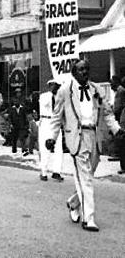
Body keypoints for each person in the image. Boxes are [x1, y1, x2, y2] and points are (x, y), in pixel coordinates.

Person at [46, 59, 125, 232]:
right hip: (76, 137)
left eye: (87, 69)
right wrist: (51, 137)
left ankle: (74, 202)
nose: (84, 72)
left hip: (94, 137)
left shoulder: (96, 89)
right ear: (74, 72)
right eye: (81, 69)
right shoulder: (64, 90)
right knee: (86, 179)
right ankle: (88, 218)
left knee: (88, 176)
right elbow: (56, 116)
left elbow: (108, 113)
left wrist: (116, 129)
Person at [39, 79, 64, 182]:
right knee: (45, 147)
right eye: (53, 85)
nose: (55, 88)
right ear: (50, 86)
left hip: (56, 123)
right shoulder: (44, 96)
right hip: (46, 121)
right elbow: (47, 104)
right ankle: (43, 172)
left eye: (57, 86)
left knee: (59, 148)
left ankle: (56, 171)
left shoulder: (60, 98)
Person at [110, 75, 125, 171]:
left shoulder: (120, 91)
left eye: (111, 82)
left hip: (121, 118)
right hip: (120, 117)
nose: (110, 84)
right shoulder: (119, 91)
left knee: (121, 141)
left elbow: (119, 106)